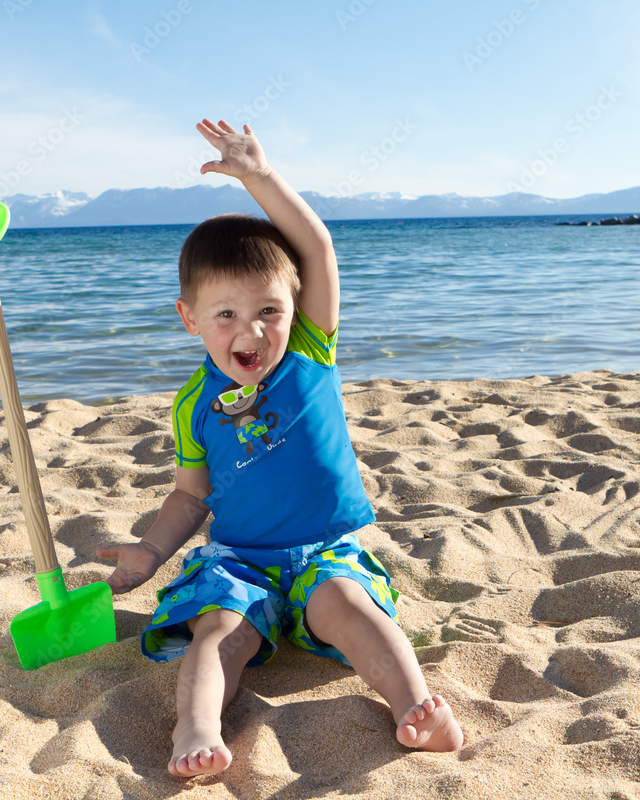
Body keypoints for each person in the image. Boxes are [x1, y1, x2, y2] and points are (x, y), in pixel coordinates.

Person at [97, 118, 463, 777]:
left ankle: (416, 708)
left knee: (352, 612)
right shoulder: (194, 405)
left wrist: (259, 177)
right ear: (189, 319)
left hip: (327, 552)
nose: (254, 331)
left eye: (269, 310)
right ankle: (197, 729)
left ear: (294, 308)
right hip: (243, 561)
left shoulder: (310, 355)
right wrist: (152, 550)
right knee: (217, 633)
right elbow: (190, 495)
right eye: (227, 315)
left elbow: (318, 249)